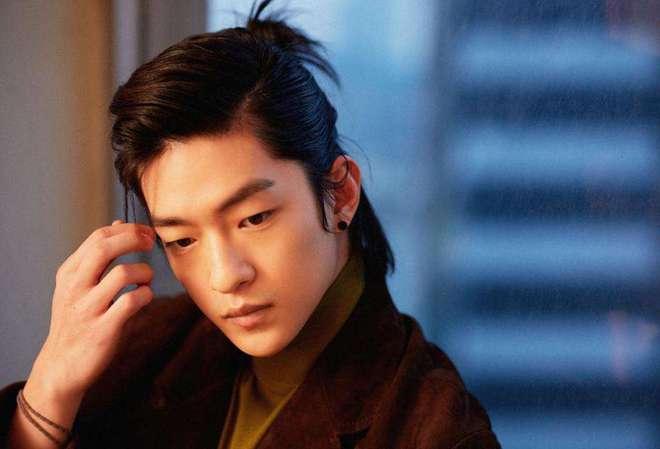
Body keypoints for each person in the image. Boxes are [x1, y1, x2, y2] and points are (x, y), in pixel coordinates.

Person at [0, 1, 500, 448]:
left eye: (254, 218)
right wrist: (50, 391)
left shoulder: (434, 431)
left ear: (341, 193)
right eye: (182, 239)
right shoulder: (141, 348)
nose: (224, 276)